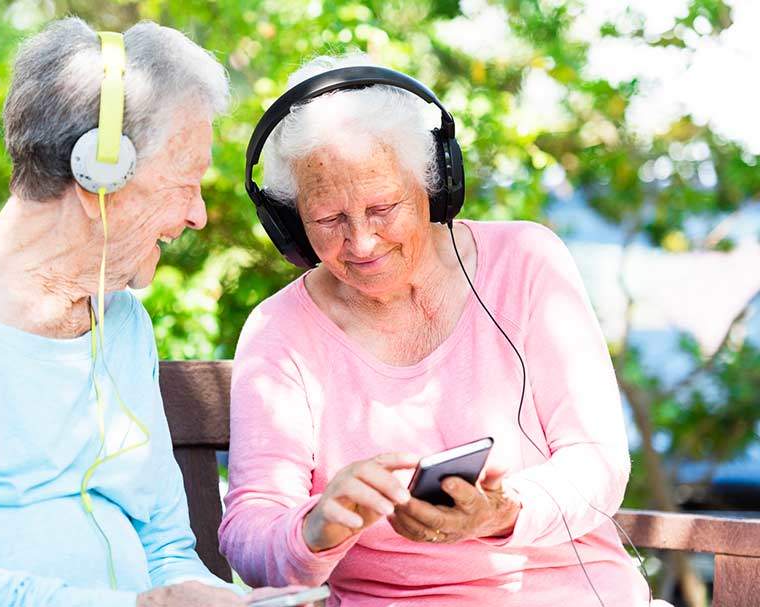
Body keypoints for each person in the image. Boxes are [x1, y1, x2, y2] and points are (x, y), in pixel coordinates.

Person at [0, 17, 283, 607]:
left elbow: (166, 545)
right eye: (184, 183)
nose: (197, 214)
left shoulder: (123, 322)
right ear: (100, 172)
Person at [219, 54, 664, 606]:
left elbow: (597, 460)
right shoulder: (279, 330)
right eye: (329, 219)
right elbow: (250, 531)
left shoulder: (526, 262)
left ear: (436, 183)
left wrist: (503, 512)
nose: (361, 243)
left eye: (383, 207)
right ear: (288, 221)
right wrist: (314, 529)